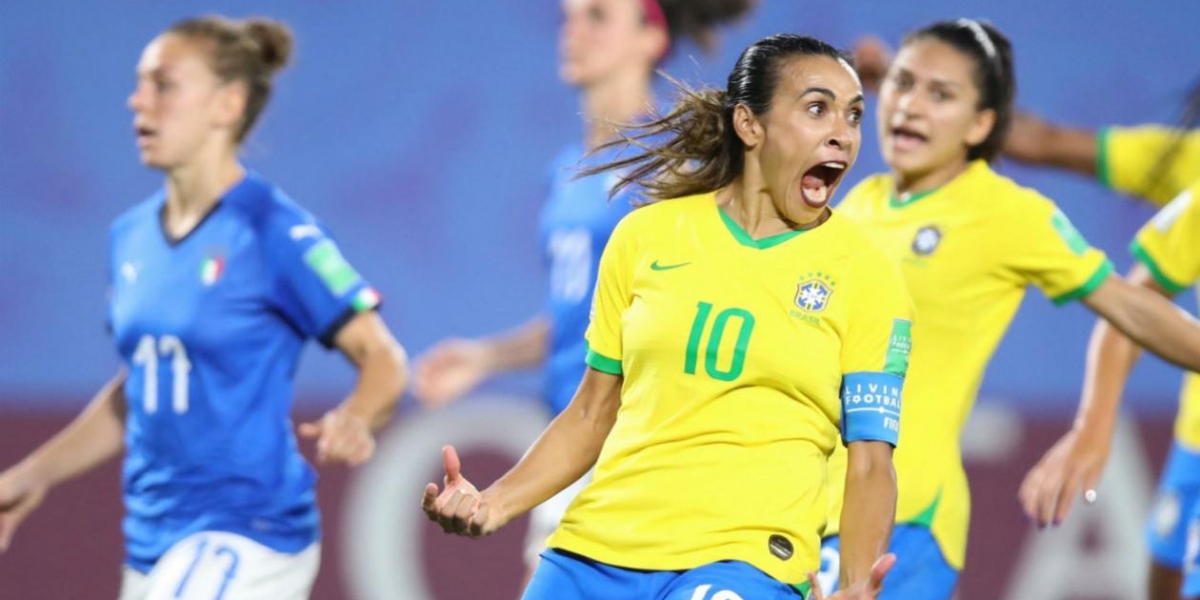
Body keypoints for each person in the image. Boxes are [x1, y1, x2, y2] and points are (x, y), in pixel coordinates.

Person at [423, 33, 911, 600]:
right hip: (595, 550)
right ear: (750, 126)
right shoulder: (644, 236)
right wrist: (493, 503)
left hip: (744, 561)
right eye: (816, 108)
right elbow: (591, 411)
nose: (842, 133)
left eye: (853, 115)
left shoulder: (868, 275)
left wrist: (855, 585)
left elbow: (872, 464)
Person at [0, 16, 408, 600]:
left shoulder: (275, 229)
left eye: (163, 85)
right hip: (152, 541)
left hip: (248, 533)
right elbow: (141, 386)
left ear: (227, 104)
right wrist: (29, 476)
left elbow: (382, 356)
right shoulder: (130, 237)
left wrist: (358, 415)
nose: (137, 100)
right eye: (139, 83)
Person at [819, 19, 1200, 600]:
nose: (910, 106)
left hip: (907, 522)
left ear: (983, 124)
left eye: (940, 95)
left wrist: (1090, 429)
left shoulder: (1006, 214)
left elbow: (1133, 308)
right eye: (901, 83)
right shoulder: (856, 204)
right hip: (804, 514)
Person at [412, 0, 753, 582]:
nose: (574, 32)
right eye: (569, 17)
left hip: (638, 447)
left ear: (651, 37)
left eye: (598, 16)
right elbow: (586, 316)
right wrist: (486, 356)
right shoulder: (567, 169)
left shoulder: (679, 169)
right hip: (570, 443)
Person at [1012, 79, 1200, 600]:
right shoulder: (1188, 165)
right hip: (1195, 441)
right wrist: (1093, 427)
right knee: (1165, 574)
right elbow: (1129, 312)